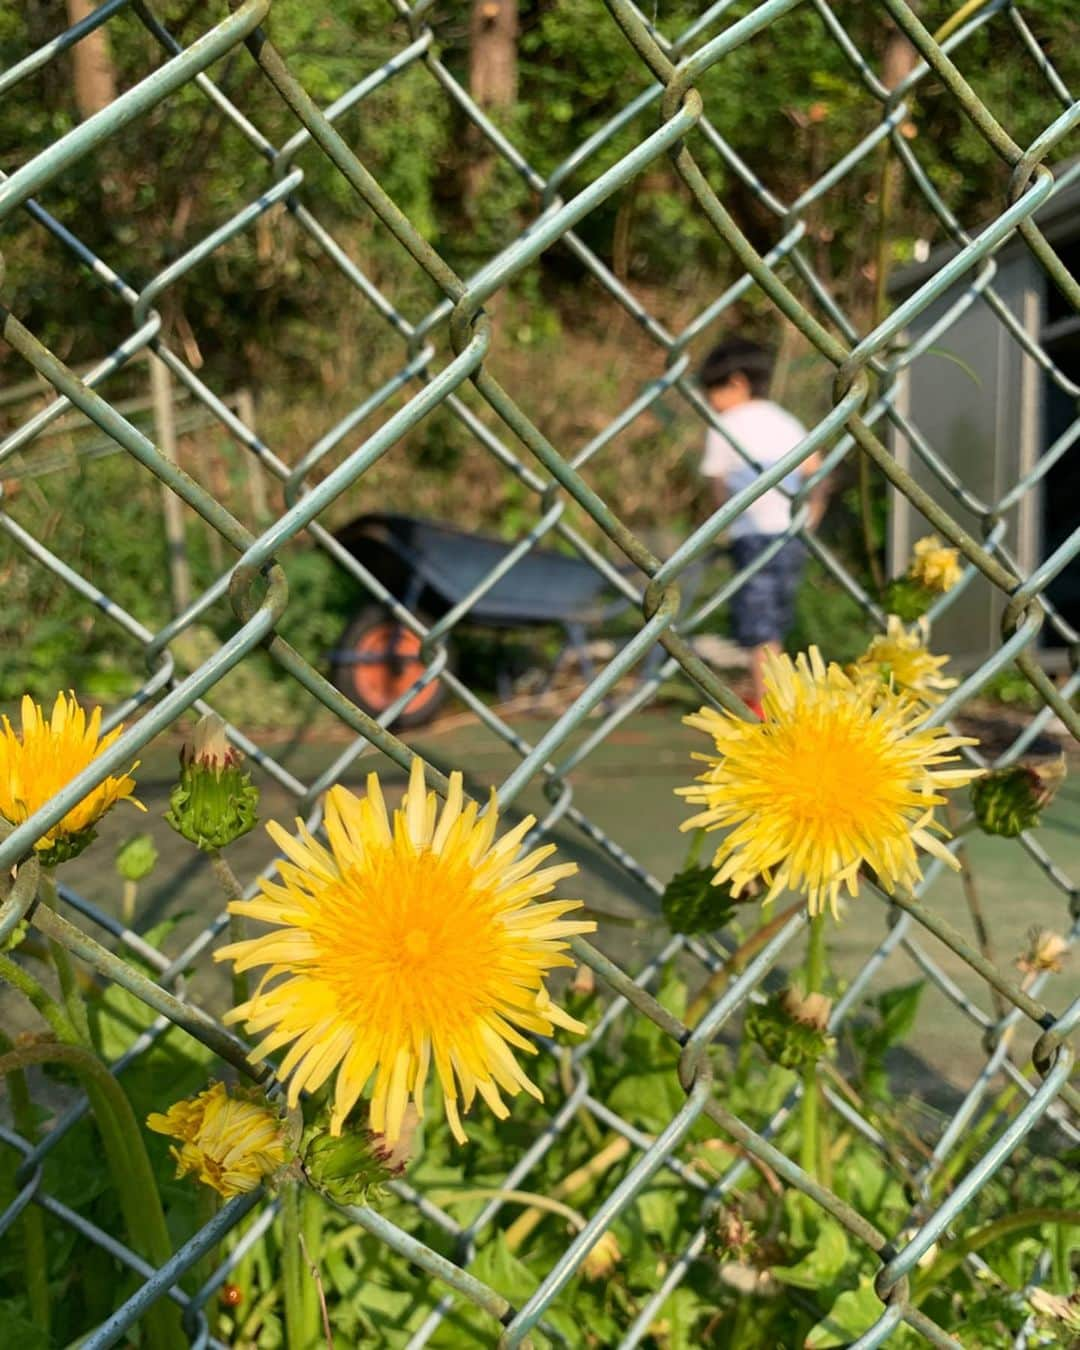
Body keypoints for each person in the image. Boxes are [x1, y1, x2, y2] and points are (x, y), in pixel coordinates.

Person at [699, 338, 828, 715]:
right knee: (775, 619)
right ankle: (777, 698)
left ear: (737, 383)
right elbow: (815, 471)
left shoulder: (726, 424)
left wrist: (723, 521)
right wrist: (812, 513)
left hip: (752, 534)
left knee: (757, 625)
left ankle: (769, 705)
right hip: (790, 533)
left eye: (714, 391)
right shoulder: (786, 420)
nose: (711, 401)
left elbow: (718, 482)